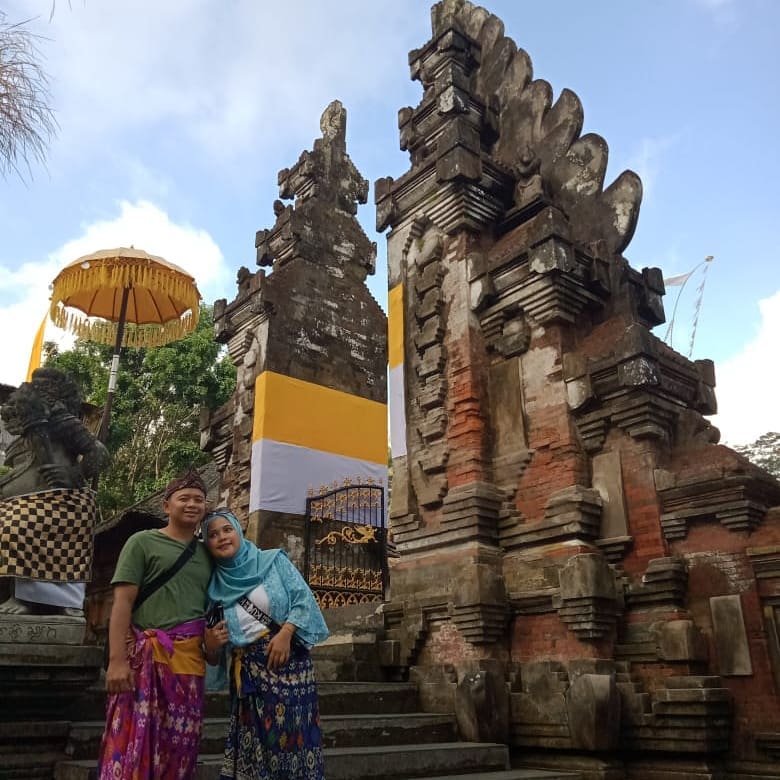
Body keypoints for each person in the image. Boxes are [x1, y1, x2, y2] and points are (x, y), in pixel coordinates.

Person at [98, 469, 223, 780]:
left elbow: (209, 615)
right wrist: (116, 661)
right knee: (130, 746)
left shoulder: (209, 555)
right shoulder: (142, 543)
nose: (192, 504)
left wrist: (214, 649)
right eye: (184, 498)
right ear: (167, 506)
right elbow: (123, 603)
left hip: (190, 664)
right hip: (143, 660)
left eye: (199, 499)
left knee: (181, 749)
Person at [203, 508, 329, 780]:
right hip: (249, 677)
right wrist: (211, 644)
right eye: (213, 535)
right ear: (207, 544)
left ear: (238, 531)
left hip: (291, 669)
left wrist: (285, 634)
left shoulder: (272, 562)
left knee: (296, 742)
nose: (222, 537)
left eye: (227, 529)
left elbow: (303, 600)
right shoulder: (213, 591)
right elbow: (213, 656)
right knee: (255, 749)